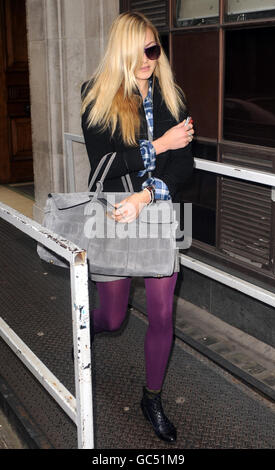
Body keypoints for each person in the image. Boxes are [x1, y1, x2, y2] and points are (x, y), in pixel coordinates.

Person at [81, 11, 194, 444]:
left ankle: (152, 397)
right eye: (138, 50)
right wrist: (159, 145)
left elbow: (186, 163)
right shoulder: (97, 95)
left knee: (164, 313)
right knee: (112, 316)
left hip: (159, 212)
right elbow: (102, 167)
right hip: (112, 215)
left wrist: (149, 193)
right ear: (121, 51)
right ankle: (84, 330)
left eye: (153, 48)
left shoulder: (171, 96)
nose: (148, 59)